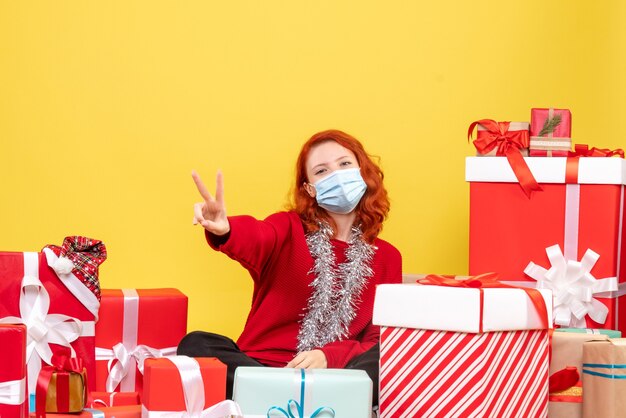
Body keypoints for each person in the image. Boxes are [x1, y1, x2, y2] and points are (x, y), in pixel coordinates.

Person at [177, 129, 402, 406]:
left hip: (336, 374)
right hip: (261, 369)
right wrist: (226, 229)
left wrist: (329, 355)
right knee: (196, 344)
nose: (336, 175)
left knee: (393, 354)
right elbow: (258, 237)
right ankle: (299, 399)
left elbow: (378, 338)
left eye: (344, 164)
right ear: (310, 188)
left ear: (362, 171)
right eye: (322, 171)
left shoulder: (388, 257)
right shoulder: (287, 228)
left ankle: (282, 400)